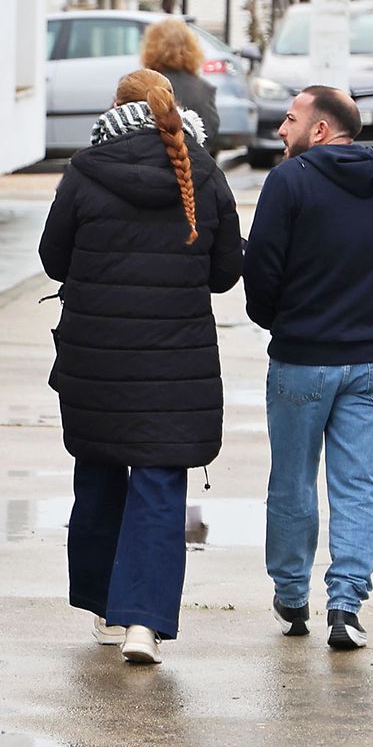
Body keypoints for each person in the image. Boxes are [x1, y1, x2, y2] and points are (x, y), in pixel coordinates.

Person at [38, 68, 243, 665]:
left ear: (115, 106)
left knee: (100, 474)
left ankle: (105, 605)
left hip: (96, 359)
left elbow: (54, 259)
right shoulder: (203, 173)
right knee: (158, 487)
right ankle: (143, 626)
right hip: (174, 364)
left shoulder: (83, 172)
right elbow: (227, 271)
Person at [244, 85, 373, 650]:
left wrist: (281, 318)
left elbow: (260, 268)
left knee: (292, 482)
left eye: (290, 120)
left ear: (322, 129)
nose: (281, 131)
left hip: (302, 360)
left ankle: (291, 596)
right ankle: (347, 604)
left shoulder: (289, 181)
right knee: (360, 488)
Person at [140, 18, 220, 152]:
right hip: (191, 166)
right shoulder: (204, 89)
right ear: (191, 48)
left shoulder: (140, 84)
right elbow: (211, 135)